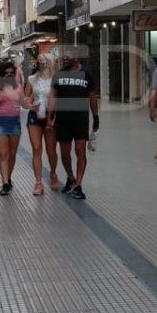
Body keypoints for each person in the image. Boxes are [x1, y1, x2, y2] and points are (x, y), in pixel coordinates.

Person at [48, 47, 99, 200]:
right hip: (63, 119)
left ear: (77, 57)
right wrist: (50, 116)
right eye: (65, 55)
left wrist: (96, 116)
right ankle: (70, 178)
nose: (66, 58)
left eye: (69, 55)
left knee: (80, 150)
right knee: (65, 153)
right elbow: (53, 96)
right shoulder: (58, 74)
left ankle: (78, 184)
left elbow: (92, 97)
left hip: (80, 119)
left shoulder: (87, 74)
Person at [0, 60, 23, 195]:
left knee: (12, 154)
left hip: (14, 123)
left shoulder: (18, 87)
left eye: (11, 73)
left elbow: (24, 103)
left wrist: (32, 105)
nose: (9, 75)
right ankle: (5, 183)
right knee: (3, 155)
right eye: (6, 73)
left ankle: (9, 177)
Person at [24, 53, 60, 195]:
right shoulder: (32, 79)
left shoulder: (56, 79)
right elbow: (25, 98)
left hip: (51, 117)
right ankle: (38, 183)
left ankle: (53, 173)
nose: (40, 63)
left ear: (50, 62)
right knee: (36, 149)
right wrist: (30, 105)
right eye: (39, 61)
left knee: (51, 151)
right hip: (35, 116)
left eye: (43, 61)